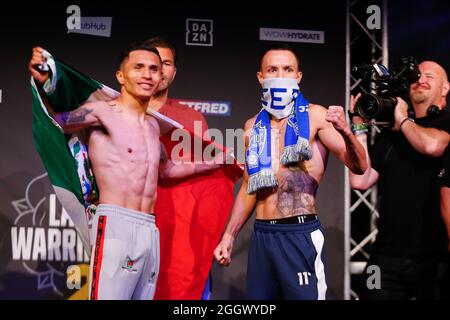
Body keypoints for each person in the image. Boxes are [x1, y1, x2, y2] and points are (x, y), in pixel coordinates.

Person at [28, 42, 224, 300]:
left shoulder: (154, 126)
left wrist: (212, 162)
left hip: (149, 227)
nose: (147, 74)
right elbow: (56, 121)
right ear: (121, 76)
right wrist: (44, 84)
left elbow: (166, 170)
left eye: (154, 69)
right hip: (114, 223)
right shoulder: (102, 112)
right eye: (139, 67)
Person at [213, 44, 368, 300]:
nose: (280, 76)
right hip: (263, 236)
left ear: (298, 77)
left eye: (288, 69)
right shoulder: (252, 127)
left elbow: (360, 167)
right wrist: (229, 235)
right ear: (261, 77)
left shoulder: (318, 117)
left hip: (299, 235)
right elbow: (250, 185)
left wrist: (347, 131)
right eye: (272, 70)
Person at [144, 37, 241, 300]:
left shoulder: (191, 119)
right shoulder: (120, 111)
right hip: (130, 225)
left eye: (166, 63)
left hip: (174, 229)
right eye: (153, 64)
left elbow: (205, 179)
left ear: (174, 71)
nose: (160, 70)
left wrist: (226, 164)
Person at [349, 60, 450, 299]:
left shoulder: (445, 123)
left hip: (432, 258)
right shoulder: (390, 136)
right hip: (384, 256)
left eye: (429, 76)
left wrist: (403, 120)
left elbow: (432, 145)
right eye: (416, 76)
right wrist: (359, 127)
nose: (420, 79)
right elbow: (360, 181)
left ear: (445, 88)